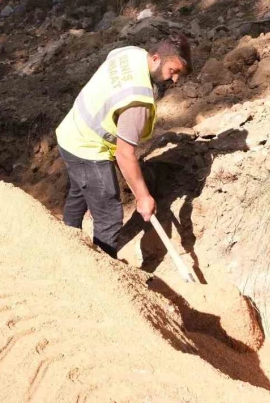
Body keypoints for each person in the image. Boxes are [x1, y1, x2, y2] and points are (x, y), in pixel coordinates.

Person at [55, 33, 192, 258]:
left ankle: (65, 245)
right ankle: (105, 275)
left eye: (179, 74)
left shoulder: (130, 53)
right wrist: (143, 197)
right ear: (157, 58)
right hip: (88, 148)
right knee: (108, 215)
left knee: (79, 192)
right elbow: (125, 154)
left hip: (71, 131)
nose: (175, 80)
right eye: (173, 71)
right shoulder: (137, 102)